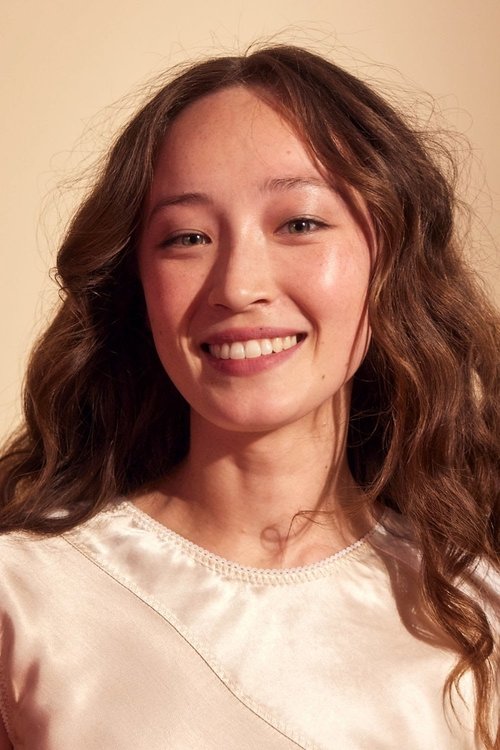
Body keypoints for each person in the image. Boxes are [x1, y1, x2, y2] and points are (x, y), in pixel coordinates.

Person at [0, 44, 498, 750]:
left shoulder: (478, 609)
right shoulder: (24, 597)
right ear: (137, 285)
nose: (237, 286)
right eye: (187, 237)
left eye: (300, 224)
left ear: (390, 257)